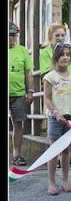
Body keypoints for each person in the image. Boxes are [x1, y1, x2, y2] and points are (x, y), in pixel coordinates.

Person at [43, 44, 71, 195]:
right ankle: (51, 182)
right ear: (56, 58)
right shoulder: (50, 77)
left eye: (67, 55)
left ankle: (65, 180)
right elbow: (46, 98)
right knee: (54, 150)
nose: (65, 57)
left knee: (65, 151)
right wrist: (55, 112)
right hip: (55, 118)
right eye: (62, 55)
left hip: (70, 117)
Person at [9, 21, 34, 166]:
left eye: (14, 35)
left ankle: (16, 155)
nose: (12, 38)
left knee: (18, 123)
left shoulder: (23, 50)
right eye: (9, 35)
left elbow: (28, 73)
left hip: (18, 94)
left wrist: (30, 91)